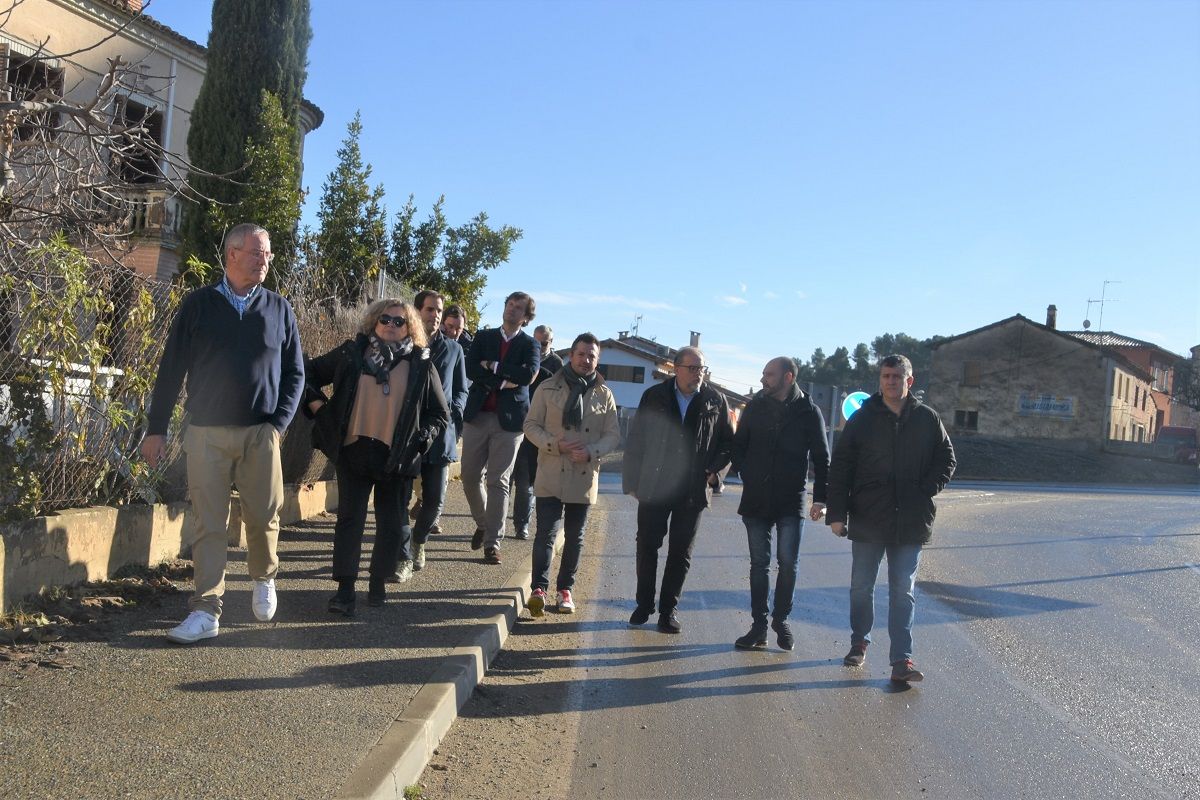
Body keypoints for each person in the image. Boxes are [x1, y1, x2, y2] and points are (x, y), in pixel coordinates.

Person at [141, 223, 303, 644]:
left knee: (264, 515)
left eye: (267, 254)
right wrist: (156, 429)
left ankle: (264, 577)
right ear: (231, 254)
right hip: (207, 432)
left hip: (260, 432)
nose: (264, 260)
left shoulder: (279, 309)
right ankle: (206, 610)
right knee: (208, 522)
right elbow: (171, 368)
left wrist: (278, 425)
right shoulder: (198, 305)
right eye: (256, 252)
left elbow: (295, 374)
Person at [302, 299, 449, 615]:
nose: (392, 325)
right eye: (386, 319)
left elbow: (440, 414)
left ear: (410, 327)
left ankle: (377, 584)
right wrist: (319, 408)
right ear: (373, 321)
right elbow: (308, 374)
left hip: (397, 456)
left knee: (392, 524)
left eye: (400, 321)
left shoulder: (422, 363)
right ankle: (344, 591)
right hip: (354, 449)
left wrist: (420, 440)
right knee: (349, 520)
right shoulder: (352, 353)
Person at [825, 354, 956, 683]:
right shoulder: (863, 419)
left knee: (903, 592)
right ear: (880, 379)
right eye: (885, 376)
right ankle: (859, 642)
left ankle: (902, 660)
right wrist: (837, 514)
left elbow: (947, 458)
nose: (890, 381)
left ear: (909, 381)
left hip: (911, 520)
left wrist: (925, 489)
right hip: (869, 517)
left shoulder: (927, 418)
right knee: (860, 588)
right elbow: (840, 467)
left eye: (897, 376)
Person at [623, 346, 733, 633]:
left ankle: (668, 611)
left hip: (693, 488)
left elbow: (727, 445)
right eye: (693, 368)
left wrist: (716, 475)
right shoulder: (654, 396)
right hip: (655, 483)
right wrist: (632, 480)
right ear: (676, 368)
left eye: (702, 369)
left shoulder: (714, 400)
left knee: (681, 552)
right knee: (647, 545)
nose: (699, 374)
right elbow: (637, 439)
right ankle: (644, 604)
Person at [730, 357, 829, 652]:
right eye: (762, 374)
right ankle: (759, 626)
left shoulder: (809, 411)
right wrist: (746, 472)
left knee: (788, 563)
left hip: (790, 500)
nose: (763, 379)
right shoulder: (756, 406)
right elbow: (739, 446)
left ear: (787, 377)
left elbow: (822, 458)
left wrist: (821, 498)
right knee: (759, 564)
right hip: (756, 498)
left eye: (768, 375)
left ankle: (780, 620)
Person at [522, 333, 619, 616]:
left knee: (575, 536)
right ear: (571, 355)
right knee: (546, 533)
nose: (586, 360)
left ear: (597, 360)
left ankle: (565, 590)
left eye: (592, 356)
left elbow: (613, 436)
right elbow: (531, 426)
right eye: (581, 354)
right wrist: (555, 444)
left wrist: (591, 451)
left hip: (584, 473)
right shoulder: (547, 387)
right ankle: (538, 589)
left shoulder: (605, 394)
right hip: (552, 469)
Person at [461, 291, 541, 564]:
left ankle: (492, 543)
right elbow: (471, 369)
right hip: (478, 415)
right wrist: (505, 378)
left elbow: (527, 375)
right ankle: (484, 524)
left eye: (519, 308)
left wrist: (493, 366)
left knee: (498, 481)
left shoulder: (531, 345)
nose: (512, 310)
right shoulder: (483, 337)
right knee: (470, 477)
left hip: (510, 423)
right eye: (510, 305)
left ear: (526, 317)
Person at [406, 289, 468, 572]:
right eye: (430, 309)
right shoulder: (404, 341)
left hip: (441, 435)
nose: (435, 315)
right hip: (405, 433)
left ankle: (418, 542)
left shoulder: (454, 350)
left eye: (438, 311)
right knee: (398, 497)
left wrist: (453, 411)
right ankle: (400, 550)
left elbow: (461, 390)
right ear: (418, 311)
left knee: (434, 500)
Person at [511, 324, 565, 540]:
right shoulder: (522, 355)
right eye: (537, 342)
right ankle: (494, 523)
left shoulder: (557, 365)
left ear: (552, 343)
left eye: (545, 342)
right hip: (514, 423)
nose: (540, 346)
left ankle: (521, 524)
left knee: (526, 482)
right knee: (506, 479)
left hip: (539, 431)